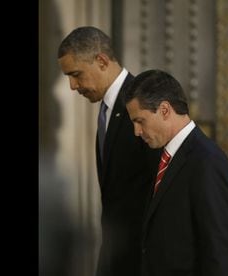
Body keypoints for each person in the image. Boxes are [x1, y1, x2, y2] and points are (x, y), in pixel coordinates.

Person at [57, 26, 159, 276]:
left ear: (101, 61)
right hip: (118, 255)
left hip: (145, 259)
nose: (72, 85)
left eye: (76, 74)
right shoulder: (108, 108)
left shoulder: (144, 100)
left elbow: (163, 184)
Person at [124, 69, 228, 276]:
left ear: (165, 110)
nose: (137, 132)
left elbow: (218, 252)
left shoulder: (206, 161)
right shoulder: (166, 155)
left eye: (140, 121)